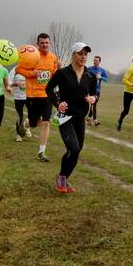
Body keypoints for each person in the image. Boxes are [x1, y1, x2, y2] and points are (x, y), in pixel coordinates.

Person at [46, 42, 97, 193]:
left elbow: (95, 93)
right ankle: (62, 180)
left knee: (77, 150)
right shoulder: (62, 73)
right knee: (73, 149)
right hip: (65, 117)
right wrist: (58, 103)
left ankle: (62, 178)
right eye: (80, 54)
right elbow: (49, 89)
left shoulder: (90, 75)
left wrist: (93, 98)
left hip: (80, 117)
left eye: (85, 54)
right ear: (73, 55)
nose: (83, 57)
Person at [16, 33, 59, 162]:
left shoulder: (53, 58)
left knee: (46, 122)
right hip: (33, 95)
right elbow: (19, 69)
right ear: (37, 44)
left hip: (47, 95)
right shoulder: (32, 56)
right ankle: (25, 124)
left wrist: (58, 71)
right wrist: (32, 74)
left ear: (49, 43)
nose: (45, 45)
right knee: (33, 123)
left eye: (47, 42)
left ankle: (41, 152)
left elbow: (54, 74)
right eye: (42, 43)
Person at [8, 66, 29, 142]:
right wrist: (16, 83)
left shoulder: (31, 68)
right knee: (19, 116)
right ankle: (18, 135)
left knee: (33, 114)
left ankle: (26, 126)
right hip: (18, 97)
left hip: (29, 96)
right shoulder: (15, 69)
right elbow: (8, 82)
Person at [86, 55, 108, 126]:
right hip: (88, 89)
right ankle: (92, 119)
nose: (95, 62)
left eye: (96, 60)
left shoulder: (102, 70)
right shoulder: (89, 69)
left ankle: (92, 119)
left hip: (97, 90)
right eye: (94, 60)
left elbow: (106, 80)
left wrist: (101, 77)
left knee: (94, 104)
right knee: (90, 104)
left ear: (99, 62)